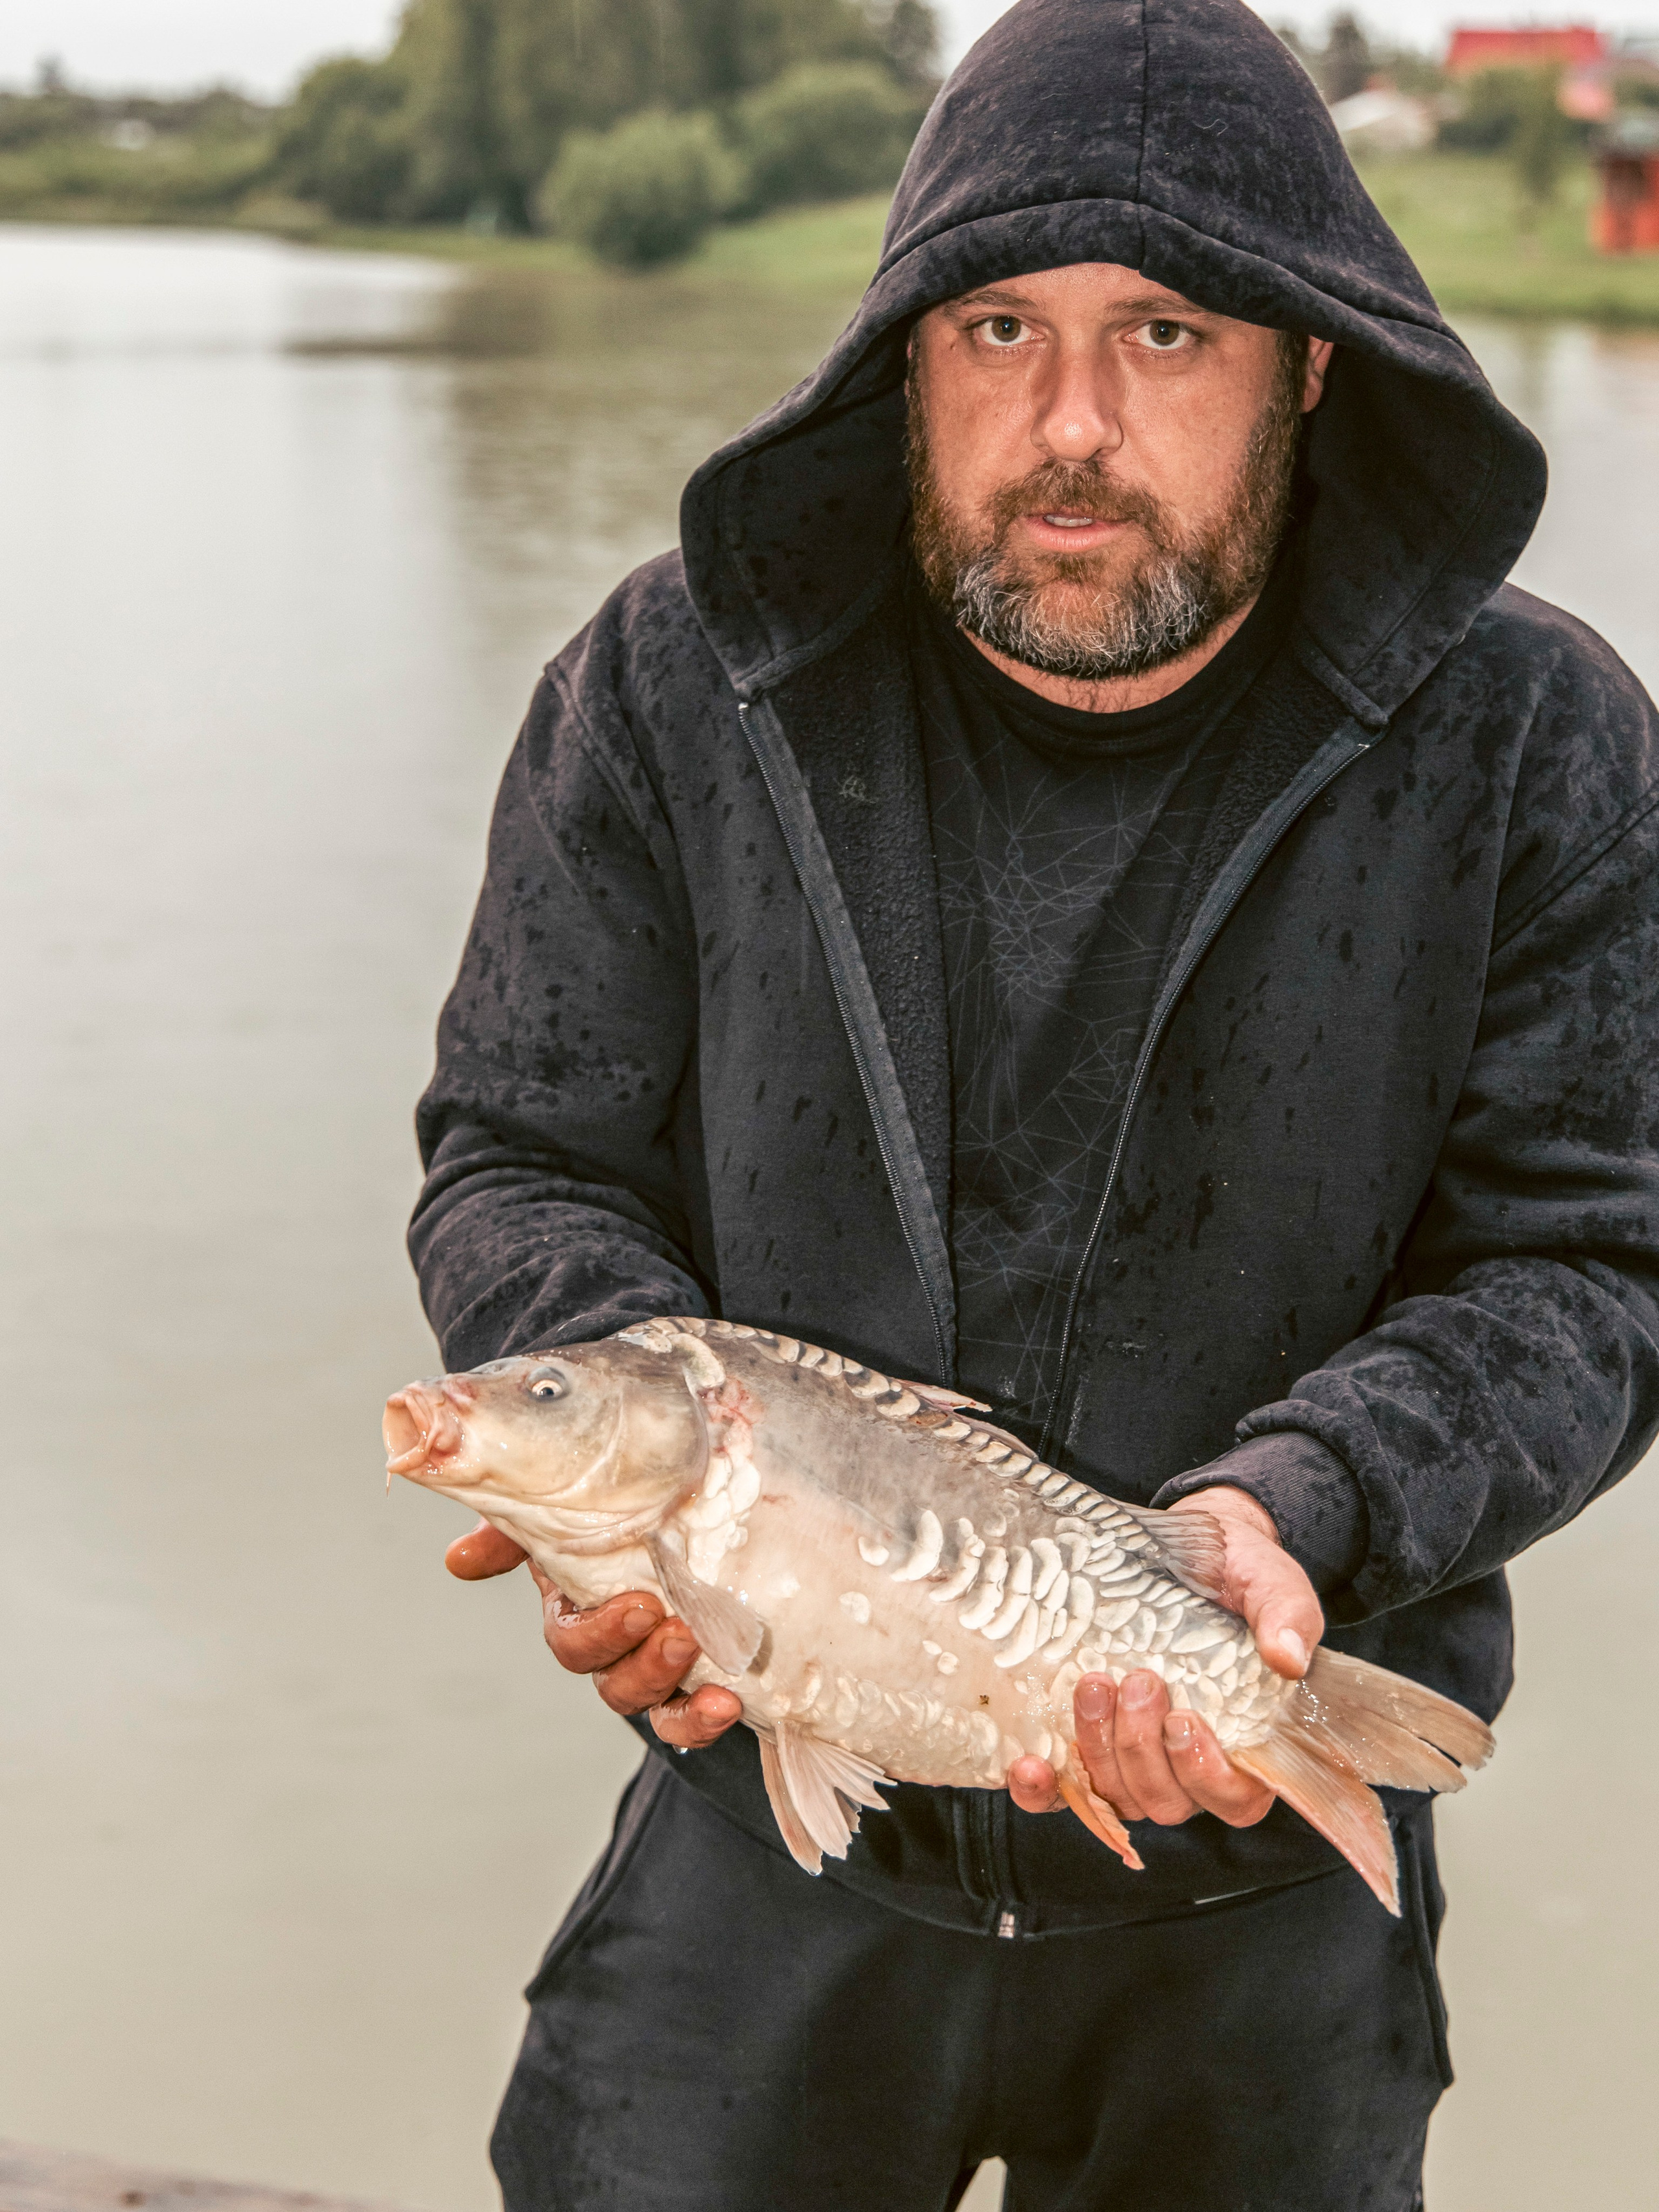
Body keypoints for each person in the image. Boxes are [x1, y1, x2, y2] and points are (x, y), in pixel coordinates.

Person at [408, 2, 1659, 2206]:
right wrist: (654, 1484)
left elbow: (1597, 1260)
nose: (1071, 424)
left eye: (1168, 333)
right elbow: (521, 1150)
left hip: (1258, 1871)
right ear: (904, 352)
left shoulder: (1537, 746)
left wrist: (1308, 1507)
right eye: (999, 324)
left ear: (1316, 366)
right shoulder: (667, 683)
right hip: (762, 1834)